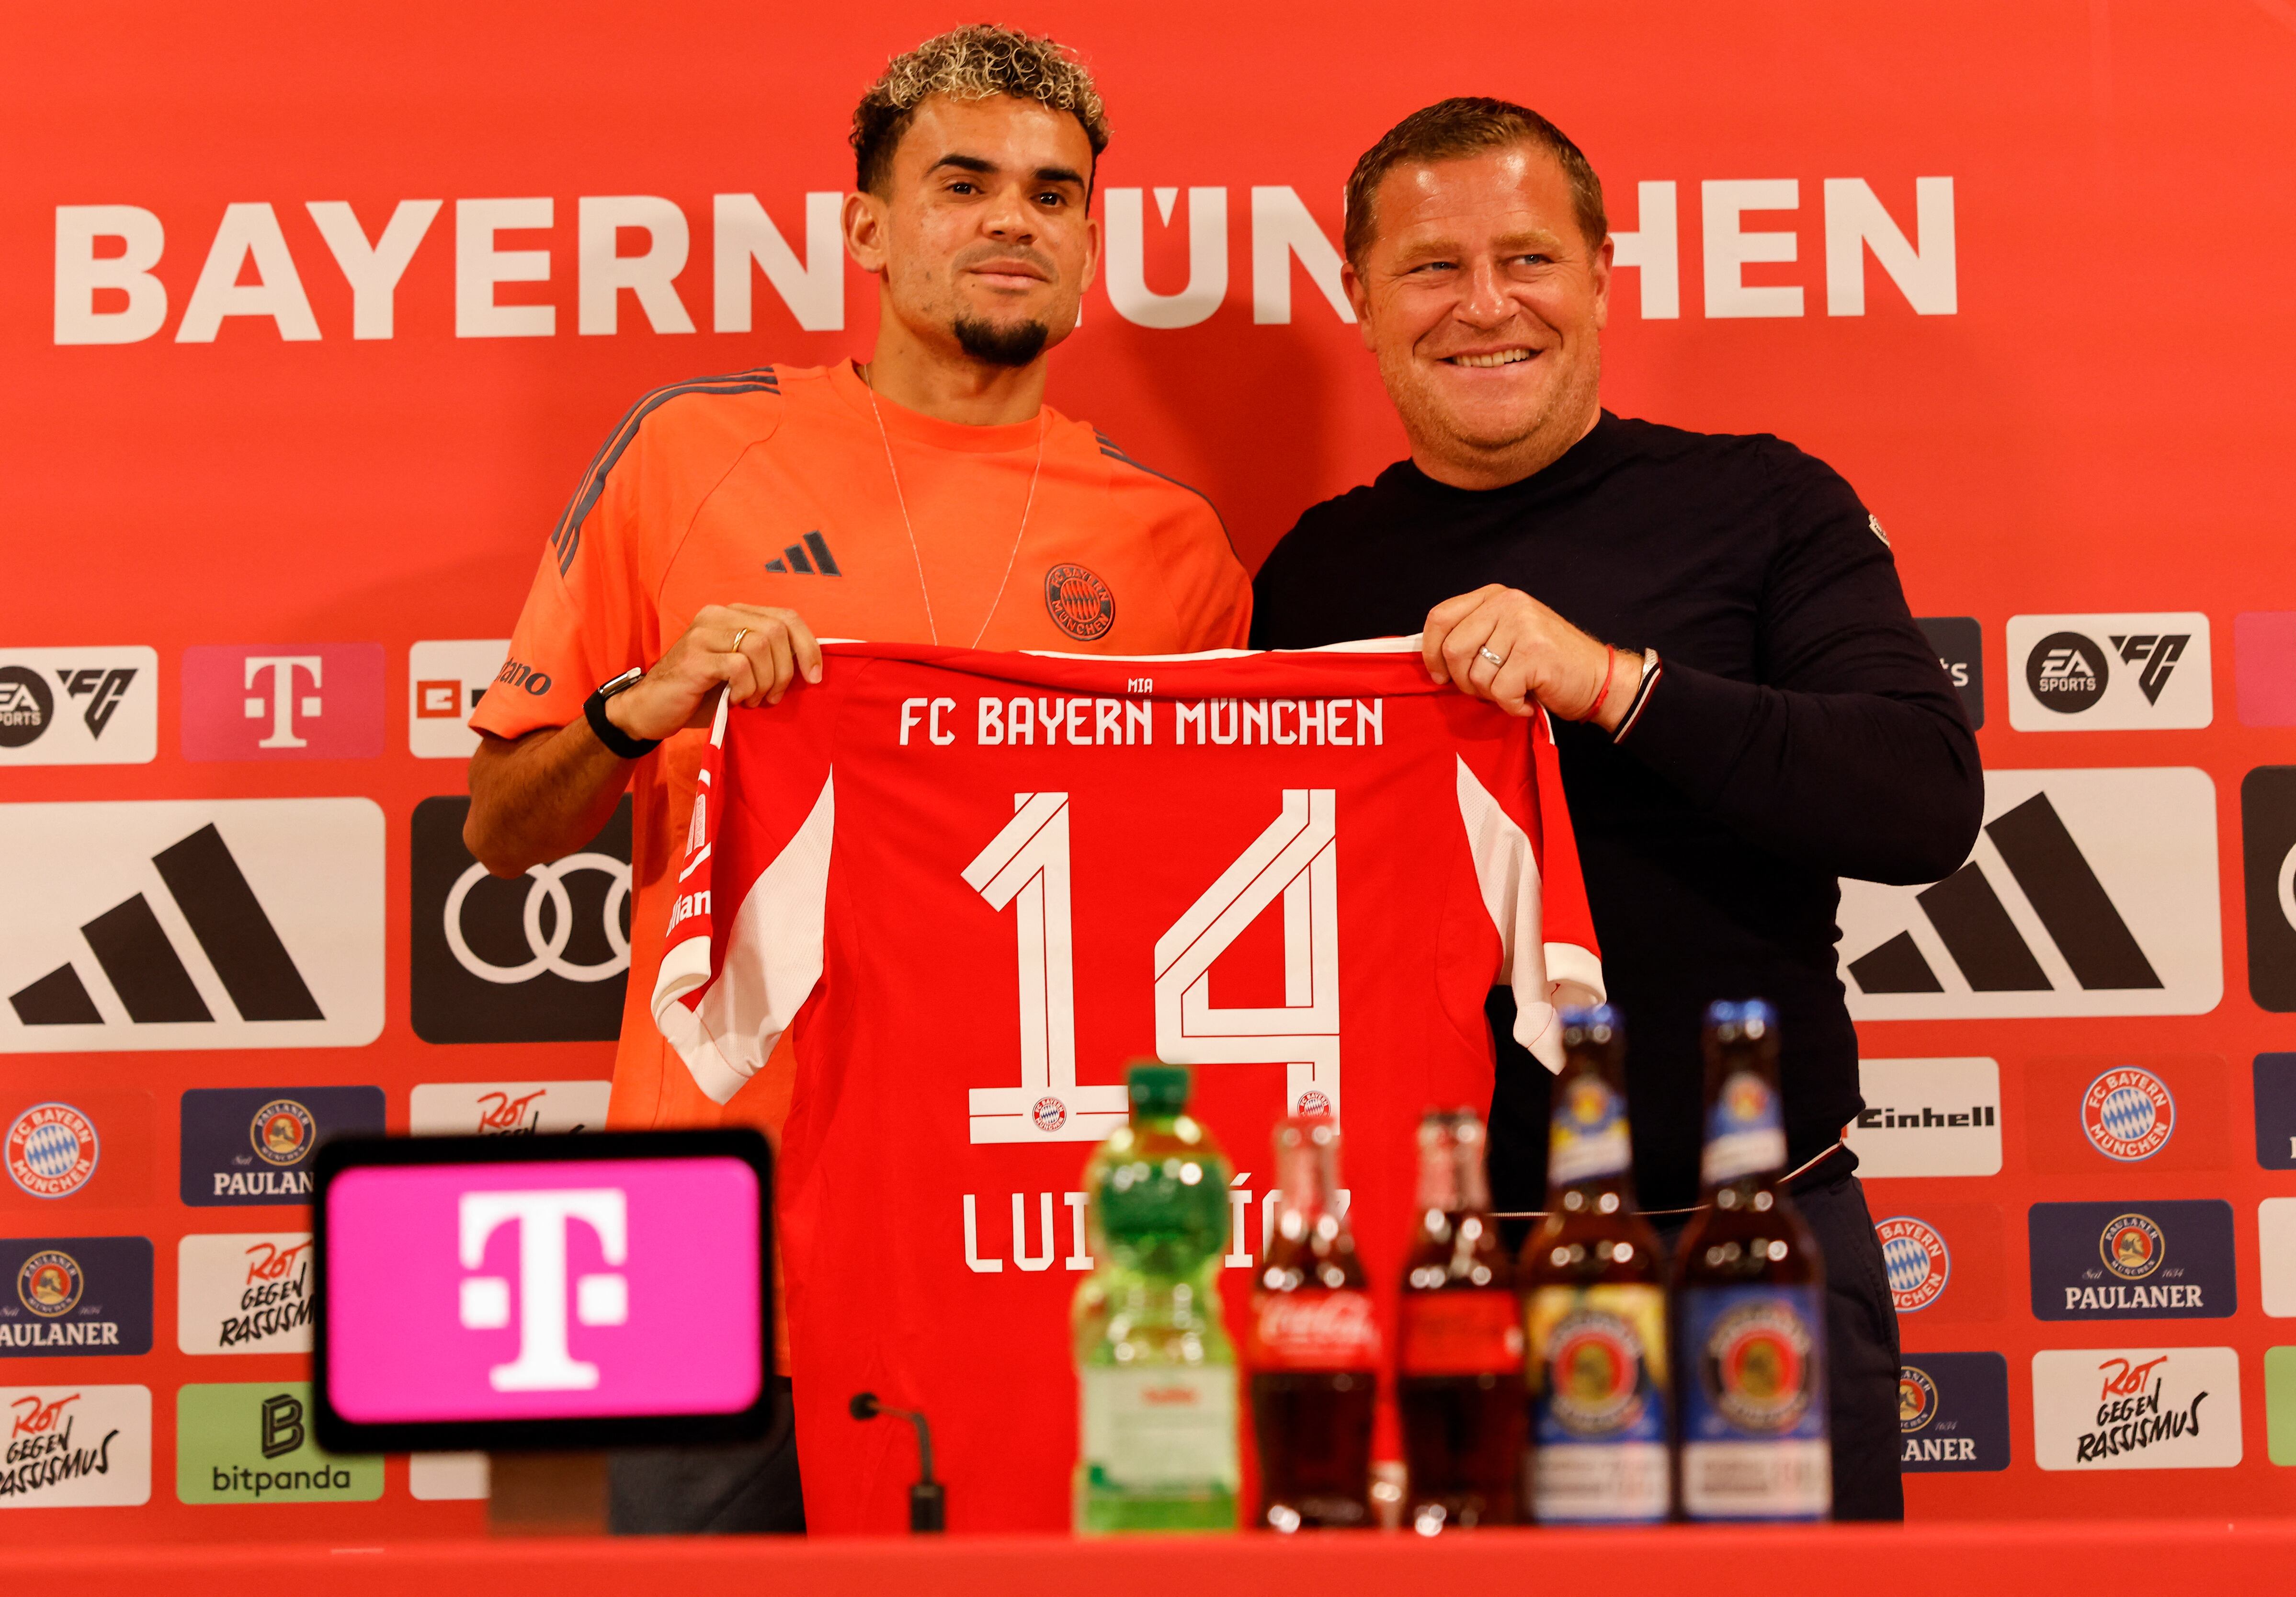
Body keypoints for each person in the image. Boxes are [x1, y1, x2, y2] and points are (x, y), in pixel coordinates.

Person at [462, 24, 1250, 1534]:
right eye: (964, 184)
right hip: (712, 1220)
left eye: (1054, 194)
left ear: (1090, 245)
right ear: (870, 229)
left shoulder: (1174, 547)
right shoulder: (688, 452)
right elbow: (501, 830)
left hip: (1030, 1226)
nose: (1014, 220)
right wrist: (642, 708)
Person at [1247, 98, 1982, 1520]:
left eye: (1527, 258)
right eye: (1431, 267)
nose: (1484, 305)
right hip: (1444, 1273)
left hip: (1742, 1250)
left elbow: (1921, 801)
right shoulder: (1310, 575)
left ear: (1600, 273)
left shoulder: (1766, 504)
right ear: (1359, 297)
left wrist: (1611, 683)